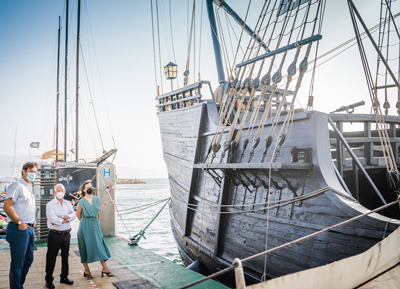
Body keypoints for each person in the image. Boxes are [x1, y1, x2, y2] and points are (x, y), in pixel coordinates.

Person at [3, 162, 38, 289]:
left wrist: (32, 221)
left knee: (28, 260)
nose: (33, 174)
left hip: (29, 229)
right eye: (31, 171)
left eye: (35, 172)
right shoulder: (17, 185)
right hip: (19, 228)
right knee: (17, 264)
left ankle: (18, 285)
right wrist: (20, 222)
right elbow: (7, 206)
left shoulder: (29, 187)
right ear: (24, 171)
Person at [76, 181, 114, 279]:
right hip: (84, 226)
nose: (90, 188)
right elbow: (78, 215)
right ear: (83, 190)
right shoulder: (81, 201)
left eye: (91, 186)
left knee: (99, 246)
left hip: (95, 224)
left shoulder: (97, 199)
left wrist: (96, 224)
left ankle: (105, 268)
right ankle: (87, 270)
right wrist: (86, 223)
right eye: (87, 187)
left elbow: (97, 213)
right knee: (84, 247)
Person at [44, 184, 76, 288]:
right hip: (55, 234)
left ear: (65, 191)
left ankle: (64, 277)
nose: (60, 192)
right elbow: (53, 220)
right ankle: (48, 280)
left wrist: (61, 217)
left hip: (66, 234)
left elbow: (73, 215)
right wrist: (67, 218)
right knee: (51, 258)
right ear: (54, 192)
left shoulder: (67, 203)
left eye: (62, 190)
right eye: (58, 190)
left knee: (65, 257)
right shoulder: (50, 205)